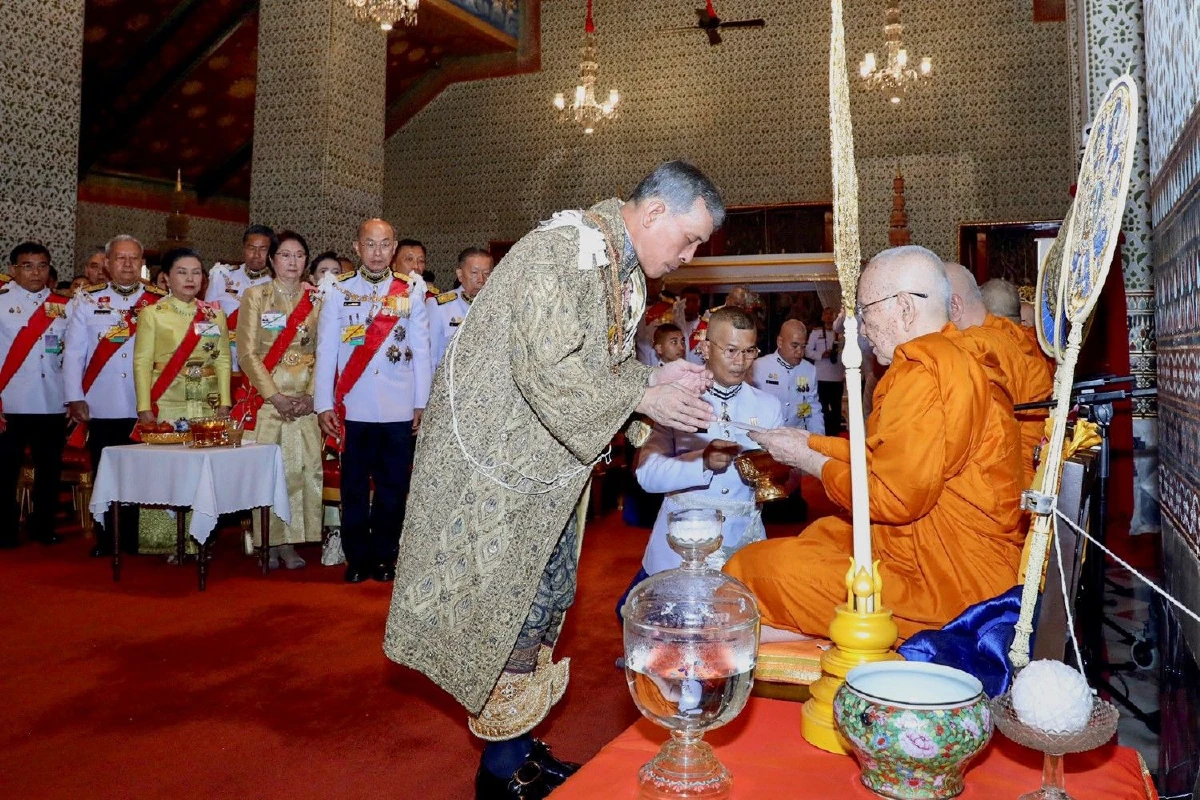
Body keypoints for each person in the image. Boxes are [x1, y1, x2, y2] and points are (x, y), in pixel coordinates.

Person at [384, 160, 722, 800]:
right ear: (652, 214)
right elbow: (550, 370)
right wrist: (644, 396)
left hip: (544, 464)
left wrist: (655, 382)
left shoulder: (616, 267)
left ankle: (517, 746)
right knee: (507, 611)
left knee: (540, 604)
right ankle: (501, 773)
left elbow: (603, 370)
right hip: (496, 465)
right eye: (689, 238)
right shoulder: (564, 251)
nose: (691, 255)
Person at [724, 245, 1026, 643]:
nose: (862, 330)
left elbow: (892, 497)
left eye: (865, 313)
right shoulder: (950, 357)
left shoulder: (927, 374)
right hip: (926, 544)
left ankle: (826, 645)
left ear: (903, 307)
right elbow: (885, 457)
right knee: (821, 535)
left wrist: (811, 461)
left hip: (950, 583)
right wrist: (811, 441)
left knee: (751, 568)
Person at [315, 219, 431, 584]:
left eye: (384, 245)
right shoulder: (338, 289)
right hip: (354, 404)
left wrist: (420, 402)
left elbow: (422, 348)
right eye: (370, 244)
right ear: (357, 247)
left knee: (392, 488)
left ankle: (384, 556)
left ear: (394, 247)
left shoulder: (411, 289)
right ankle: (357, 558)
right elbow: (327, 349)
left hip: (398, 405)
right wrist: (323, 404)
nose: (377, 253)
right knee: (353, 487)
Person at [637, 306, 782, 575]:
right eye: (730, 350)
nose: (741, 361)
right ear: (705, 348)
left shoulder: (768, 406)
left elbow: (774, 480)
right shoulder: (675, 398)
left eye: (749, 351)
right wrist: (701, 463)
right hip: (679, 548)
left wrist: (782, 468)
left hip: (743, 545)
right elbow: (647, 475)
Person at [64, 235, 165, 557]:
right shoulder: (87, 300)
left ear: (142, 264)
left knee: (142, 472)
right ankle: (106, 537)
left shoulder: (158, 300)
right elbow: (75, 353)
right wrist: (74, 396)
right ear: (106, 264)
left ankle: (138, 537)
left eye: (134, 258)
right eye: (120, 258)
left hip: (146, 404)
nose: (127, 264)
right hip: (103, 401)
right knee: (105, 472)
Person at [134, 247, 232, 554]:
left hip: (206, 402)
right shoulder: (153, 314)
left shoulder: (214, 314)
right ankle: (165, 541)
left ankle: (200, 537)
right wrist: (144, 407)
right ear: (166, 278)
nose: (190, 279)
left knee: (204, 471)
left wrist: (226, 402)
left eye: (196, 273)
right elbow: (141, 362)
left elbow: (224, 361)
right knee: (169, 470)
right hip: (169, 400)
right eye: (181, 272)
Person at [236, 231, 323, 569]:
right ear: (271, 260)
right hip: (268, 401)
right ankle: (267, 542)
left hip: (304, 401)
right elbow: (246, 352)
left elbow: (325, 351)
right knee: (270, 473)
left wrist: (312, 396)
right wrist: (274, 395)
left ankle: (292, 542)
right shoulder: (256, 296)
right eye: (285, 255)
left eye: (299, 255)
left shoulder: (318, 298)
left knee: (302, 470)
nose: (292, 262)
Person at [946, 263, 1054, 489]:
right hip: (1028, 475)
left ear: (955, 305)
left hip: (991, 483)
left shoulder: (975, 349)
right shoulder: (1027, 346)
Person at [0, 243, 69, 548]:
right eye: (27, 266)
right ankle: (4, 529)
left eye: (42, 265)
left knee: (50, 470)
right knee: (5, 470)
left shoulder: (64, 306)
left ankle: (43, 526)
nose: (35, 272)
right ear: (13, 268)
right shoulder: (1, 302)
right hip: (11, 399)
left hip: (51, 399)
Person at [205, 224, 276, 376]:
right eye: (251, 248)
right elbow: (207, 321)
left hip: (261, 361)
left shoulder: (276, 283)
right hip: (224, 358)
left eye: (263, 249)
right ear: (244, 248)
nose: (256, 254)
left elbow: (275, 331)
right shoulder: (222, 276)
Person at [751, 319, 823, 434]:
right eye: (794, 345)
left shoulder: (809, 370)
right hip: (766, 436)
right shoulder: (759, 367)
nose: (799, 352)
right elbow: (749, 407)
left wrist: (819, 441)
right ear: (780, 342)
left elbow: (811, 409)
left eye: (803, 346)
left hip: (796, 438)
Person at [427, 247, 493, 369]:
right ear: (460, 274)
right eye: (474, 273)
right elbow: (431, 357)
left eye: (486, 273)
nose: (481, 280)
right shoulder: (439, 306)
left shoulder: (496, 307)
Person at [806, 306, 844, 435]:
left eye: (831, 314)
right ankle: (825, 431)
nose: (828, 317)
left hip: (837, 376)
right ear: (822, 317)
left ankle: (836, 434)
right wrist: (821, 354)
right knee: (822, 407)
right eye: (826, 314)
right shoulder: (816, 333)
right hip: (821, 376)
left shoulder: (843, 333)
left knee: (836, 408)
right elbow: (808, 351)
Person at [635, 276, 682, 365]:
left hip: (667, 364)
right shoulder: (634, 305)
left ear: (662, 284)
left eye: (654, 282)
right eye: (647, 281)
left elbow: (682, 337)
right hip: (642, 362)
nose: (650, 285)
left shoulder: (671, 308)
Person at [680, 285, 704, 364]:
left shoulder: (708, 327)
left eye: (694, 301)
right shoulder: (673, 325)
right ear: (681, 302)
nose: (690, 305)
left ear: (700, 303)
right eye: (687, 301)